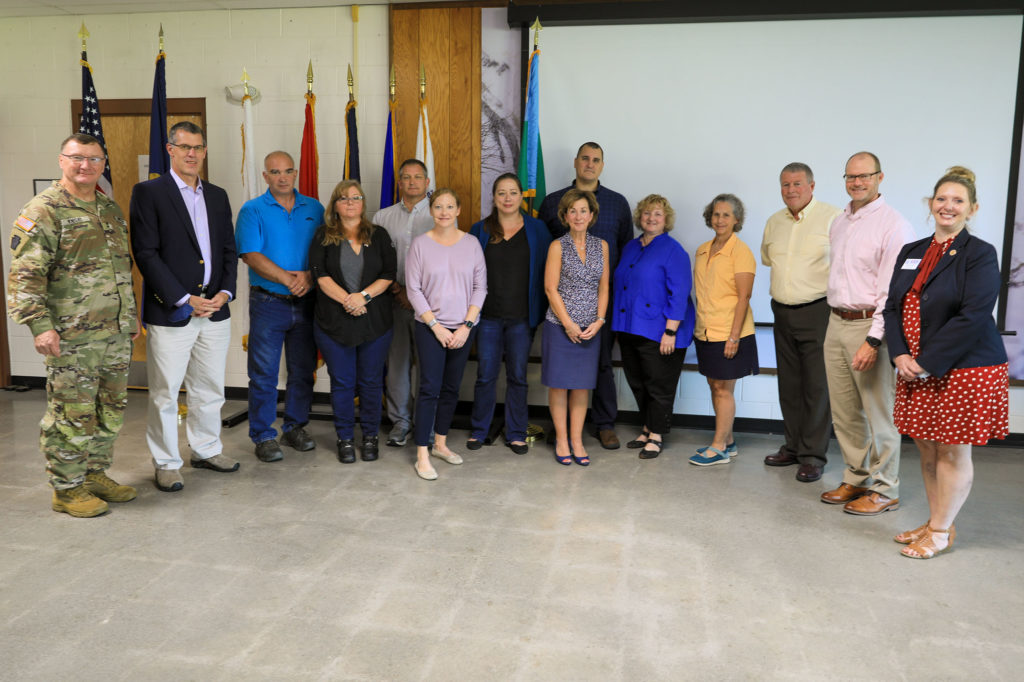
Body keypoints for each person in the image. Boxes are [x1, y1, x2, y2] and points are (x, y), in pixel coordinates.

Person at [7, 133, 140, 517]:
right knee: (71, 413)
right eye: (77, 158)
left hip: (113, 333)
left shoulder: (108, 208)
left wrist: (128, 317)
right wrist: (40, 327)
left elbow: (120, 269)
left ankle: (94, 474)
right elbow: (25, 276)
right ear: (61, 160)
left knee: (110, 408)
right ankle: (66, 489)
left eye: (94, 159)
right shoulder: (44, 210)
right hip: (71, 337)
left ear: (102, 164)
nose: (86, 166)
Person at [882, 166, 1008, 558]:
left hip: (966, 368)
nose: (948, 206)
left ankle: (938, 532)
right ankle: (939, 520)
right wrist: (900, 354)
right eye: (941, 199)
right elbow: (892, 308)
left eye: (958, 201)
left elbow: (973, 316)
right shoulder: (912, 251)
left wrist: (925, 362)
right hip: (915, 366)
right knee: (928, 449)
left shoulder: (980, 254)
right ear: (930, 204)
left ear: (972, 208)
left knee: (952, 450)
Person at [130, 121, 240, 493]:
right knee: (165, 391)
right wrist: (182, 298)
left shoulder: (218, 195)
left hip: (215, 309)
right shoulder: (149, 193)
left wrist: (225, 293)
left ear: (205, 152)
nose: (192, 153)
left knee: (209, 387)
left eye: (198, 148)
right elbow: (146, 253)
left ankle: (206, 449)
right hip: (172, 311)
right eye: (185, 147)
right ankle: (165, 462)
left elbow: (228, 250)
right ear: (170, 149)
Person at [820, 151, 914, 514]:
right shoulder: (839, 221)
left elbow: (892, 292)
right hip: (835, 321)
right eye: (850, 177)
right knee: (844, 412)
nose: (856, 182)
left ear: (880, 177)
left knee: (880, 413)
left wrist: (874, 339)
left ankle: (886, 489)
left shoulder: (895, 225)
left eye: (864, 176)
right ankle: (856, 478)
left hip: (869, 324)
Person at [538, 142, 632, 449]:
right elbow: (545, 255)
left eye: (596, 160)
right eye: (585, 159)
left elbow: (625, 253)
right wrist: (564, 318)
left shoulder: (618, 203)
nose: (590, 164)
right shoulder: (552, 202)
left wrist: (603, 314)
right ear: (576, 162)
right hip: (560, 308)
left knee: (602, 365)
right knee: (561, 377)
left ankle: (603, 425)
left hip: (599, 307)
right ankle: (561, 431)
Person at [235, 151, 324, 463]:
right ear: (265, 176)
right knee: (264, 373)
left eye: (287, 171)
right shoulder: (252, 210)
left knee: (303, 371)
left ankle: (295, 427)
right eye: (275, 172)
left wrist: (311, 277)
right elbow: (250, 254)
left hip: (307, 302)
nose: (282, 177)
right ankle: (263, 435)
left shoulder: (314, 208)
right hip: (268, 303)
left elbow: (325, 251)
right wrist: (288, 279)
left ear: (296, 172)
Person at [760, 163, 841, 482]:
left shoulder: (833, 218)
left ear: (812, 186)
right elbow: (769, 259)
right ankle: (792, 446)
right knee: (790, 385)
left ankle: (812, 455)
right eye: (784, 184)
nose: (790, 190)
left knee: (817, 386)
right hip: (781, 311)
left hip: (818, 311)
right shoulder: (773, 222)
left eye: (796, 183)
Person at [309, 180, 397, 464]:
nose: (350, 202)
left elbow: (388, 273)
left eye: (356, 197)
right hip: (334, 323)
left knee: (371, 382)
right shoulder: (323, 236)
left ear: (363, 203)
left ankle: (370, 436)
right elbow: (320, 276)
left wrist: (363, 297)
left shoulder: (379, 235)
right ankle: (345, 438)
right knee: (343, 383)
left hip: (375, 323)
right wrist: (349, 300)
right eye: (344, 198)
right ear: (335, 204)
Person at [406, 188, 487, 480]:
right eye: (438, 206)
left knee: (452, 387)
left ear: (458, 210)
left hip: (463, 328)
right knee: (429, 388)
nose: (443, 211)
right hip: (430, 327)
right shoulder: (420, 245)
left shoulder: (472, 244)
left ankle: (440, 443)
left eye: (449, 206)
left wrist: (466, 325)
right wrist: (435, 326)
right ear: (431, 211)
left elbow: (481, 288)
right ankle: (422, 454)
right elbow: (413, 289)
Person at [467, 173, 551, 455]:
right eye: (501, 193)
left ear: (520, 196)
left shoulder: (537, 230)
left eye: (513, 192)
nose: (507, 198)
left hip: (521, 318)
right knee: (485, 375)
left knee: (518, 376)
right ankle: (480, 430)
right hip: (487, 316)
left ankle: (516, 432)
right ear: (494, 197)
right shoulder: (479, 230)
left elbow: (548, 271)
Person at [612, 194, 695, 460]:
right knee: (638, 382)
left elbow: (680, 293)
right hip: (629, 327)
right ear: (640, 217)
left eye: (657, 214)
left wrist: (670, 331)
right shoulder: (631, 247)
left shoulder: (674, 251)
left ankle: (657, 435)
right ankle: (647, 428)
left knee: (658, 384)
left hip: (661, 332)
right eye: (647, 213)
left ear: (666, 219)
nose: (651, 218)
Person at [689, 194, 759, 466]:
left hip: (731, 332)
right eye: (716, 214)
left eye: (726, 215)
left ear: (736, 220)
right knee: (714, 385)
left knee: (723, 390)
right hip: (706, 330)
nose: (720, 219)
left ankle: (718, 447)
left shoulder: (740, 252)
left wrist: (733, 337)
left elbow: (744, 297)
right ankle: (727, 441)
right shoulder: (703, 249)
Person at [542, 189, 610, 467]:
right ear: (565, 216)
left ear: (592, 215)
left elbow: (604, 287)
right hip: (560, 326)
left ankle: (577, 440)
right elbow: (550, 288)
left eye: (584, 210)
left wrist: (599, 320)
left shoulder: (602, 246)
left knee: (582, 387)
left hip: (591, 329)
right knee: (559, 386)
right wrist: (568, 324)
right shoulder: (557, 246)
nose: (578, 215)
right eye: (573, 211)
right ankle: (561, 439)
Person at [372, 159, 434, 447]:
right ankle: (400, 422)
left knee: (427, 365)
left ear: (427, 182)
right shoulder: (382, 218)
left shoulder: (440, 214)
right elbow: (376, 262)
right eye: (406, 177)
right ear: (399, 182)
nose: (412, 182)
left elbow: (445, 261)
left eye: (417, 177)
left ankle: (426, 424)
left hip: (431, 306)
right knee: (397, 363)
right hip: (393, 300)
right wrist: (399, 291)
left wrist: (418, 295)